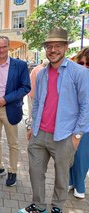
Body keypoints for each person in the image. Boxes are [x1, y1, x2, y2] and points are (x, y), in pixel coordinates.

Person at [19, 28, 89, 213]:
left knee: (61, 176)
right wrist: (31, 125)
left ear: (66, 47)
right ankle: (39, 205)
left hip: (65, 135)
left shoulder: (80, 73)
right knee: (35, 173)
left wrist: (77, 136)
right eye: (49, 46)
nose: (53, 50)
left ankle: (57, 206)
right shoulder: (41, 74)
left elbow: (86, 106)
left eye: (58, 45)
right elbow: (37, 102)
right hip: (39, 133)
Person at [0, 36, 31, 187]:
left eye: (4, 47)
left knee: (13, 143)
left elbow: (25, 87)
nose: (1, 50)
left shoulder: (20, 65)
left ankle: (13, 170)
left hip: (10, 108)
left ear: (8, 47)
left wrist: (6, 99)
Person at [69, 47, 89, 199]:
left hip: (86, 126)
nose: (84, 67)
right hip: (70, 122)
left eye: (88, 64)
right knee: (70, 154)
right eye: (81, 63)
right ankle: (70, 180)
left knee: (82, 155)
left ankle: (80, 186)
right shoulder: (73, 78)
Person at [26, 59, 49, 128]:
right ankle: (32, 124)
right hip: (35, 94)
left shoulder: (37, 68)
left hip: (31, 92)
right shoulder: (41, 70)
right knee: (34, 109)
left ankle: (30, 122)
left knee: (31, 109)